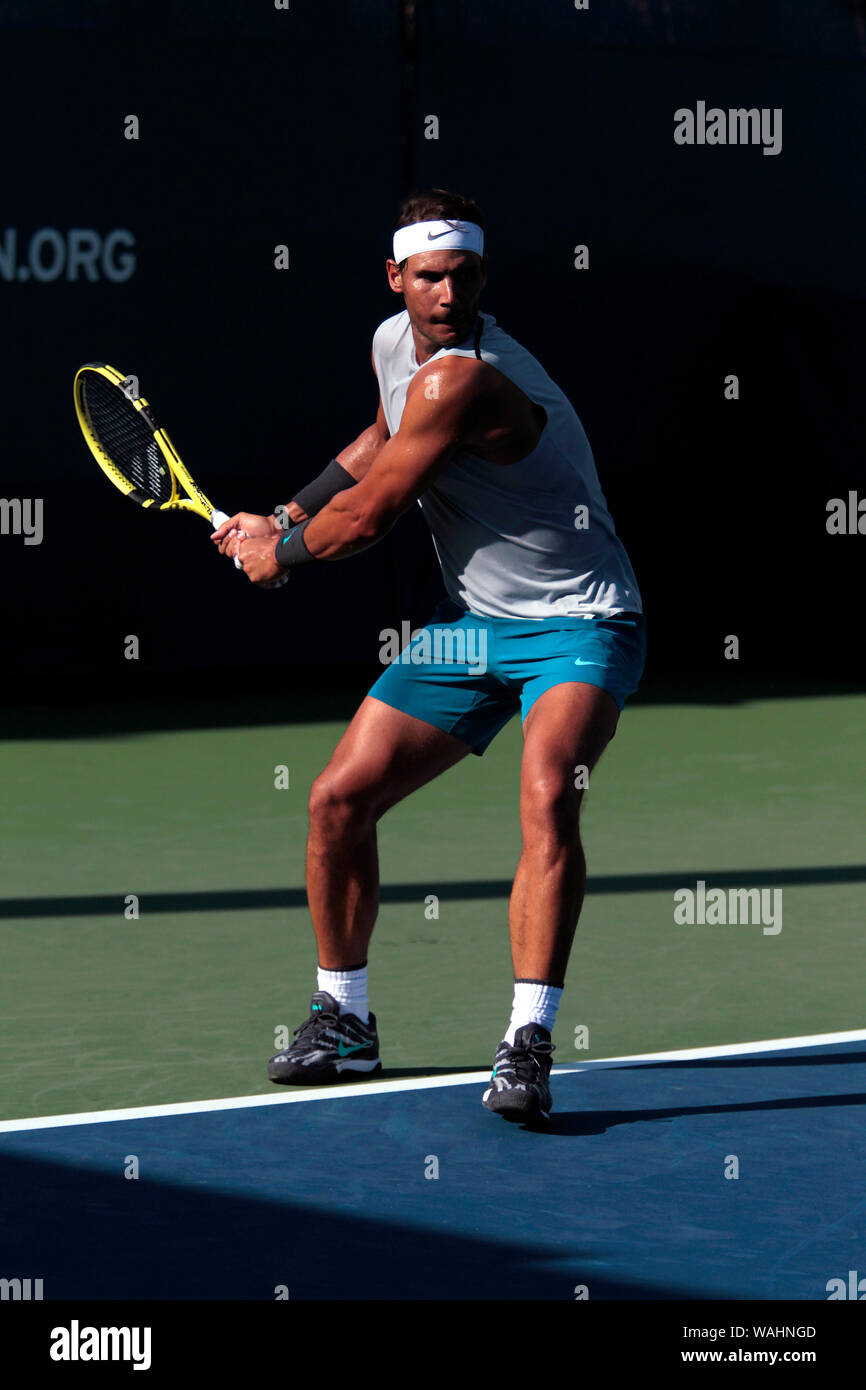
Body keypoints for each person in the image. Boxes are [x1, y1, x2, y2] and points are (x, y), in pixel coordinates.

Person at [211, 188, 645, 1122]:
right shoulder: (394, 345)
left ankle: (529, 1042)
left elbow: (371, 515)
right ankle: (346, 1022)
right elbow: (378, 440)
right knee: (337, 797)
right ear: (396, 278)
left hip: (579, 619)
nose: (447, 295)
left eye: (465, 276)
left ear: (482, 278)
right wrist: (283, 513)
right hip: (479, 620)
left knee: (545, 794)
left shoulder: (472, 380)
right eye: (429, 277)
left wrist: (276, 558)